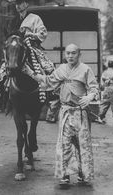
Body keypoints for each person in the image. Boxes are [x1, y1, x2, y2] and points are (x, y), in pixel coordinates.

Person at [34, 44, 99, 187]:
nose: (70, 56)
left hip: (81, 113)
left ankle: (83, 173)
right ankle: (65, 175)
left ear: (79, 54)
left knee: (82, 145)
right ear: (65, 55)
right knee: (64, 145)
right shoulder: (61, 70)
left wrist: (90, 96)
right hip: (65, 113)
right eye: (68, 53)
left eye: (73, 53)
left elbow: (94, 87)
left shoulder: (86, 69)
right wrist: (29, 72)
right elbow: (48, 81)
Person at [0, 0, 54, 108]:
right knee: (3, 69)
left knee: (47, 67)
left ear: (26, 4)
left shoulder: (35, 18)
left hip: (32, 47)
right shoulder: (14, 20)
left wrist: (32, 35)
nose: (17, 6)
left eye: (20, 3)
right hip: (15, 49)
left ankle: (52, 93)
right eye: (16, 4)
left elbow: (43, 33)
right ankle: (0, 94)